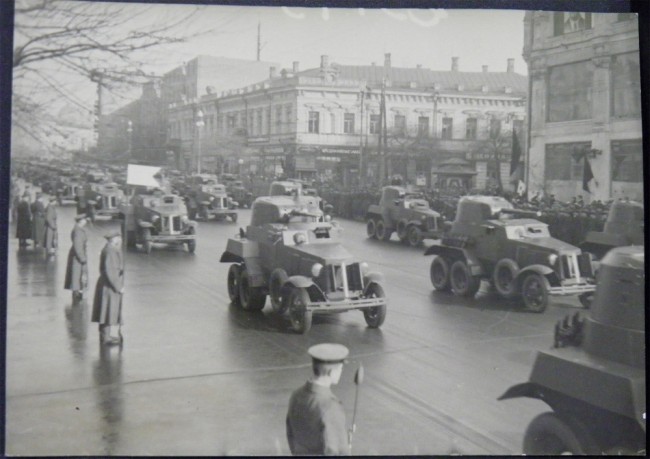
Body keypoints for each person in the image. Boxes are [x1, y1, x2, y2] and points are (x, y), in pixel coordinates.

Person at [286, 343, 350, 456]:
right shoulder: (330, 407)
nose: (341, 372)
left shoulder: (296, 396)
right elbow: (335, 451)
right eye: (341, 368)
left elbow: (290, 434)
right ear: (332, 372)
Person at [91, 229, 124, 346]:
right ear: (114, 239)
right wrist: (118, 287)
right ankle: (105, 338)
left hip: (106, 283)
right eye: (119, 238)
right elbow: (111, 271)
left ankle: (105, 335)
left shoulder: (109, 249)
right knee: (107, 310)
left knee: (105, 310)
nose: (120, 240)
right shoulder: (110, 251)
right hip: (109, 285)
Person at [64, 214, 89, 302]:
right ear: (81, 221)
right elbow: (78, 246)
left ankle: (77, 292)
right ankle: (76, 294)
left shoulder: (78, 229)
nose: (86, 221)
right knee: (77, 275)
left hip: (76, 255)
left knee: (77, 275)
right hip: (77, 257)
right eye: (85, 219)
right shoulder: (78, 232)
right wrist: (82, 258)